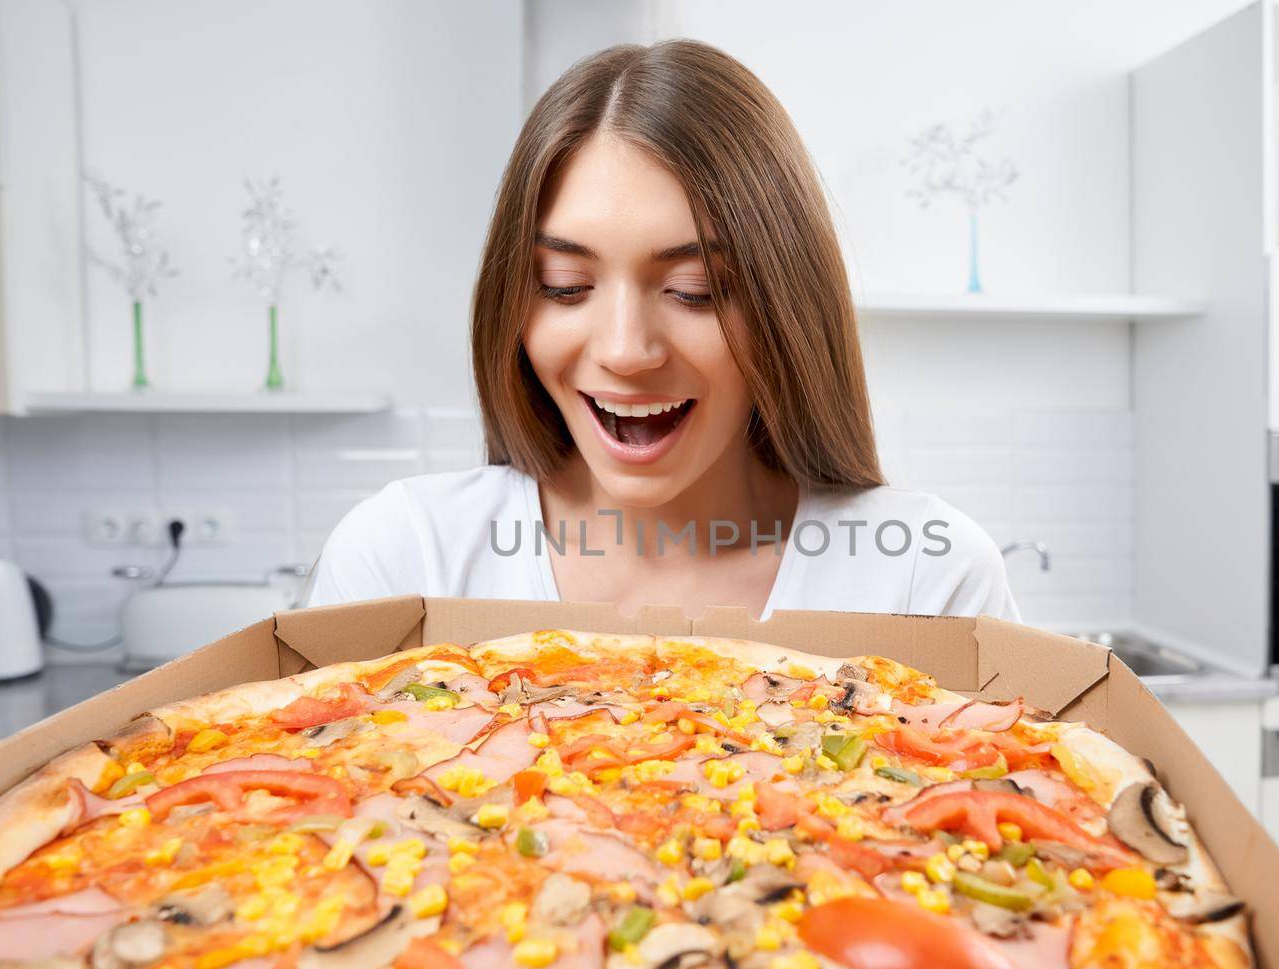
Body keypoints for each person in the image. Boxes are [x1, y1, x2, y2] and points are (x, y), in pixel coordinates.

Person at [305, 39, 1019, 623]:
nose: (624, 349)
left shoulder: (927, 577)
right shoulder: (402, 559)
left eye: (694, 292)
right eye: (566, 286)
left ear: (786, 308)